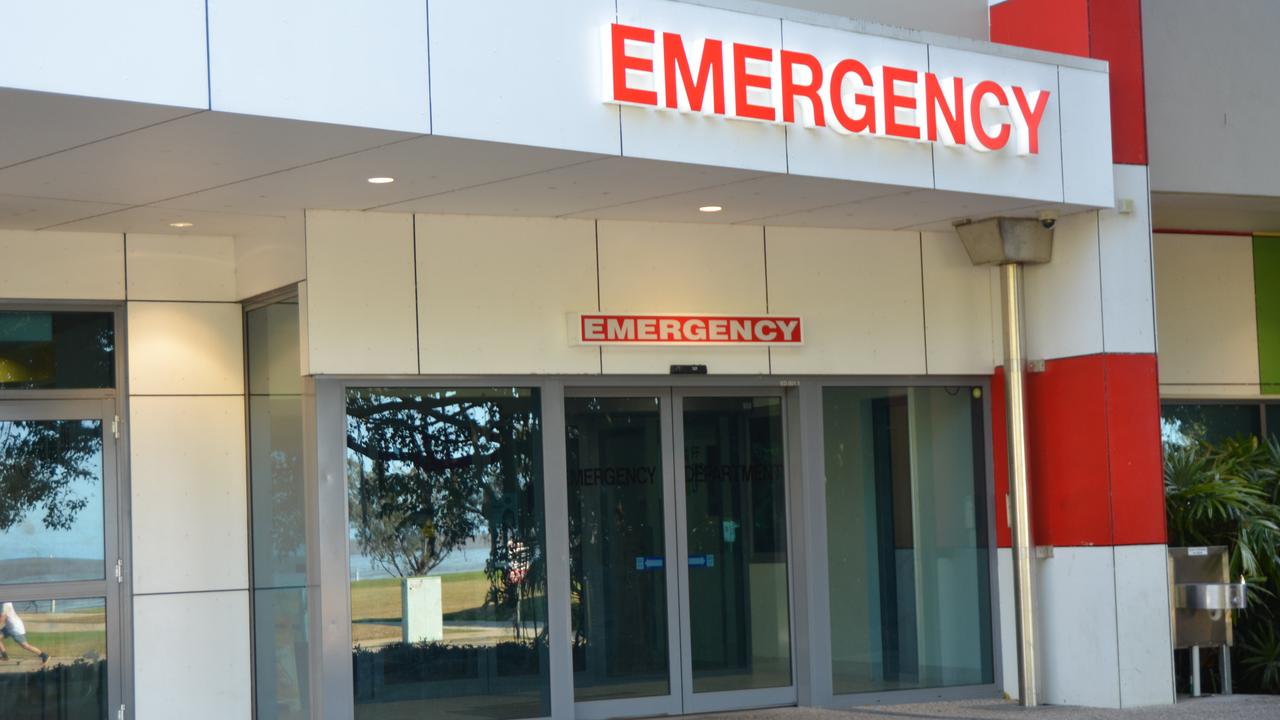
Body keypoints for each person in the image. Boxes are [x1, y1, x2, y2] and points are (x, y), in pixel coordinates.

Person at [0, 601, 49, 666]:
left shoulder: (4, 604)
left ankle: (44, 655)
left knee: (25, 645)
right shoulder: (5, 601)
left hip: (16, 628)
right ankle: (5, 656)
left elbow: (2, 618)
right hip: (9, 626)